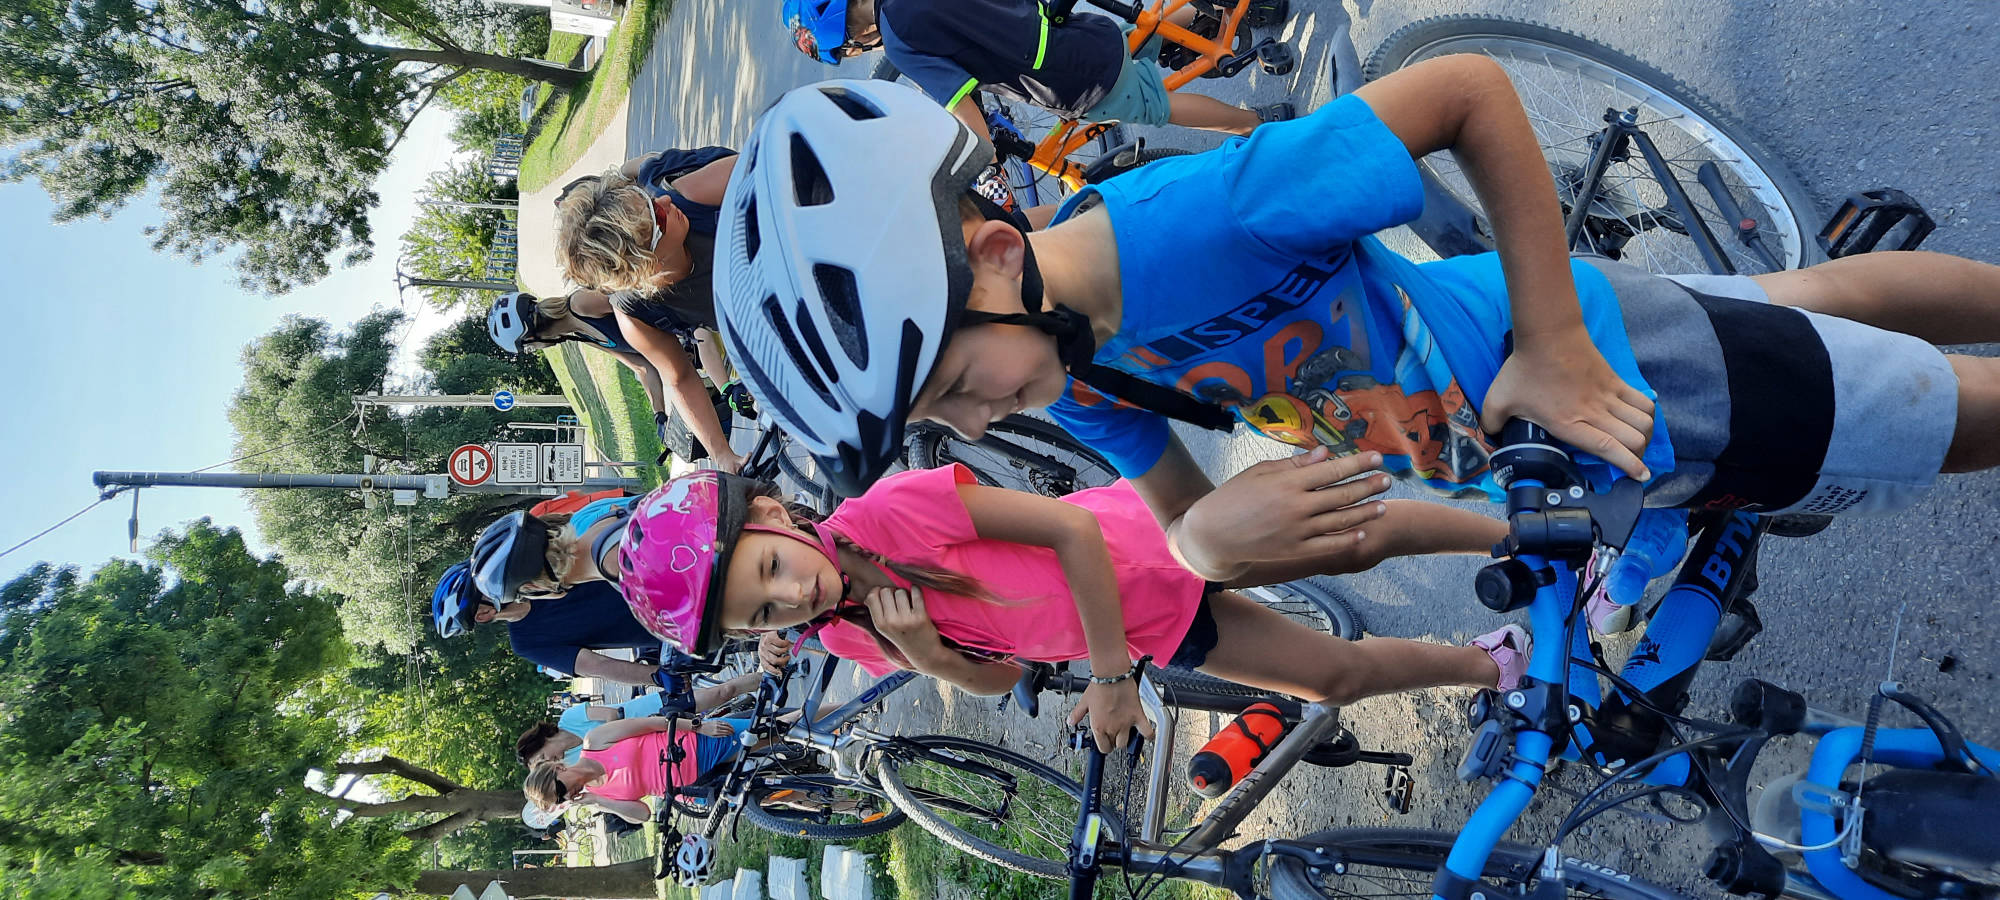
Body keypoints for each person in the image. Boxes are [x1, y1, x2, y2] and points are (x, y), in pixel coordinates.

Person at [712, 76, 2000, 597]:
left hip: (1618, 373)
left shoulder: (1201, 218)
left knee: (1946, 426)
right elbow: (1181, 519)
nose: (976, 421)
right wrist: (1199, 544)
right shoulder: (1075, 365)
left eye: (951, 382)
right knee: (1810, 300)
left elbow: (1464, 94)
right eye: (939, 423)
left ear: (998, 254)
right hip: (1521, 426)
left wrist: (1552, 339)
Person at [615, 468, 1525, 751]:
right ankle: (1498, 663)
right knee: (1333, 678)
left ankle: (1529, 538)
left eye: (771, 568)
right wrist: (928, 656)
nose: (790, 596)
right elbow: (1006, 676)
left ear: (774, 515)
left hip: (1161, 543)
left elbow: (1071, 531)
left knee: (1355, 540)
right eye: (763, 616)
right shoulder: (854, 633)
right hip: (1147, 630)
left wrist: (1113, 675)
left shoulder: (889, 514)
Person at [783, 0, 1292, 142]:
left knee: (1159, 106)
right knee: (1139, 35)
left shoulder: (901, 41)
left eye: (846, 50)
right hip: (1069, 28)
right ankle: (1233, 11)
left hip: (1068, 77)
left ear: (846, 36)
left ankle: (1258, 124)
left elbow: (967, 114)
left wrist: (974, 160)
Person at [555, 148, 747, 472]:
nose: (665, 202)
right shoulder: (635, 313)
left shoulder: (690, 194)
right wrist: (722, 455)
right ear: (643, 264)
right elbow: (680, 378)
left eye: (648, 200)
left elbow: (780, 153)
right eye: (656, 215)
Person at [487, 292, 755, 461]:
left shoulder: (582, 304)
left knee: (739, 393)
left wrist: (725, 387)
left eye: (528, 347)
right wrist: (659, 414)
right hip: (702, 352)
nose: (534, 350)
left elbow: (655, 301)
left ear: (532, 334)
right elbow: (643, 367)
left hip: (709, 326)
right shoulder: (582, 334)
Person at [516, 633, 795, 767]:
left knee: (720, 693)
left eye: (541, 758)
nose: (548, 762)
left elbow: (611, 715)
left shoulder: (569, 719)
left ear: (541, 742)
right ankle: (787, 729)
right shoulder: (571, 761)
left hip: (654, 709)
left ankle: (772, 674)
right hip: (653, 740)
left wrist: (609, 737)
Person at [433, 560, 674, 687]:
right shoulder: (526, 643)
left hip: (661, 571)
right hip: (672, 627)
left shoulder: (537, 569)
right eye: (482, 590)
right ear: (482, 615)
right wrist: (659, 677)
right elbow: (598, 666)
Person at [521, 708, 756, 824]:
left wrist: (699, 727)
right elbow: (643, 814)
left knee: (768, 732)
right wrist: (599, 801)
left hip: (699, 745)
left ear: (558, 769)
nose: (566, 797)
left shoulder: (595, 742)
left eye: (560, 791)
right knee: (758, 798)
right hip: (695, 788)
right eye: (560, 801)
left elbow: (650, 724)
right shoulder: (599, 795)